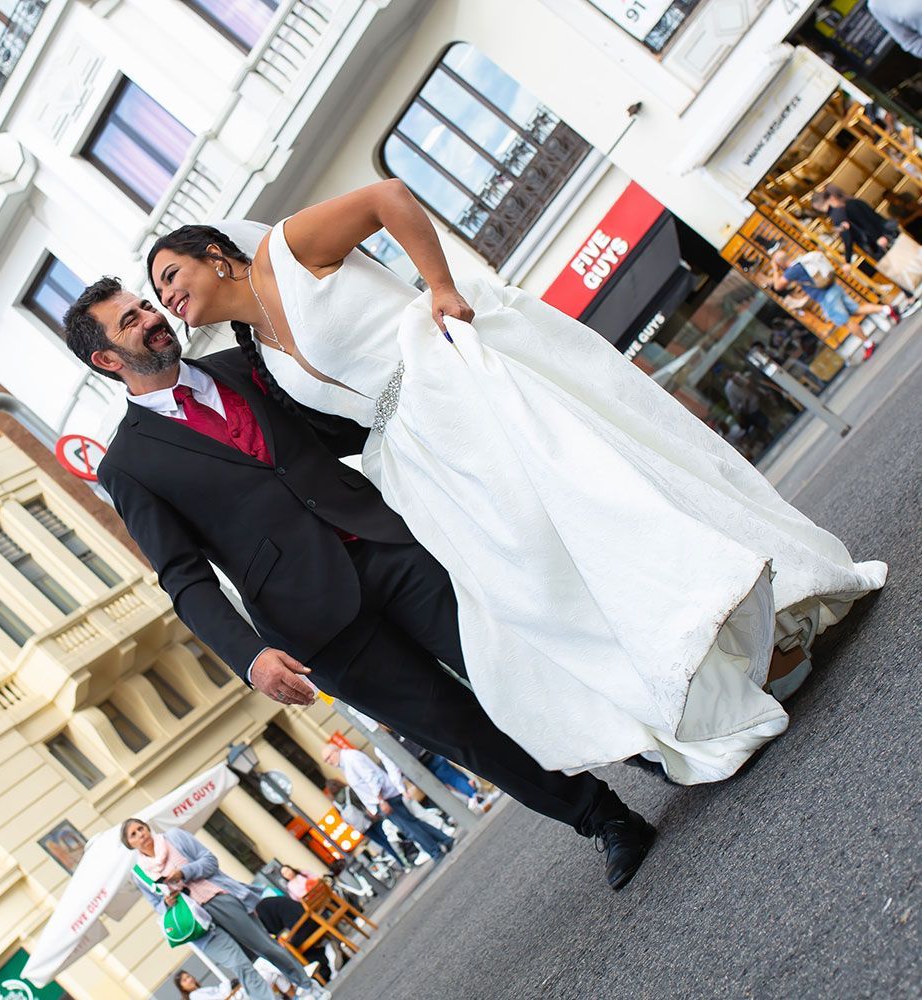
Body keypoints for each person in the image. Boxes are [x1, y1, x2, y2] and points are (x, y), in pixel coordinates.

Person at [133, 181, 887, 788]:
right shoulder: (258, 349)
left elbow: (387, 198)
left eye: (169, 276)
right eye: (157, 292)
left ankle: (756, 629)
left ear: (214, 253)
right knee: (543, 586)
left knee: (602, 518)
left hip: (467, 390)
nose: (166, 297)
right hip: (424, 456)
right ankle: (700, 686)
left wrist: (439, 287)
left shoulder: (288, 250)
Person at [66, 280, 657, 893]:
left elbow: (343, 427)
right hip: (315, 627)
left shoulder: (247, 359)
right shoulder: (128, 465)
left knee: (526, 664)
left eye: (144, 306)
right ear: (106, 359)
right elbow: (183, 578)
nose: (150, 318)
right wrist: (250, 658)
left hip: (388, 543)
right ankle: (603, 817)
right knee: (462, 732)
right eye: (129, 321)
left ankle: (651, 749)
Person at [121, 819, 328, 1000]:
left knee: (265, 947)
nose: (140, 834)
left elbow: (210, 861)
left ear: (147, 828)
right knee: (240, 966)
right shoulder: (140, 874)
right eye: (133, 834)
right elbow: (157, 905)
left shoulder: (174, 838)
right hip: (196, 925)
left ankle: (308, 986)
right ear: (130, 844)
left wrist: (183, 873)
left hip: (217, 899)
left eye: (141, 828)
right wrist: (167, 902)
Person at [323, 743, 454, 863]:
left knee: (409, 828)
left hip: (385, 798)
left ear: (335, 751)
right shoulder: (346, 762)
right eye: (326, 760)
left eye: (328, 758)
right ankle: (444, 840)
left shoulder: (351, 758)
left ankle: (435, 851)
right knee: (411, 823)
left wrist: (381, 801)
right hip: (383, 799)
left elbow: (372, 778)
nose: (329, 762)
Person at [814, 184, 922, 295]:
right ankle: (908, 292)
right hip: (886, 233)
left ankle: (908, 293)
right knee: (907, 258)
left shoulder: (842, 212)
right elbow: (872, 218)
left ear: (831, 198)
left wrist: (876, 238)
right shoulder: (853, 202)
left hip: (877, 241)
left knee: (894, 267)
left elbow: (856, 231)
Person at [767, 246, 897, 332]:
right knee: (856, 309)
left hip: (825, 296)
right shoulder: (801, 261)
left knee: (846, 321)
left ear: (780, 263)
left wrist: (775, 269)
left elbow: (778, 286)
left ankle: (867, 343)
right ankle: (887, 309)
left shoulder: (791, 271)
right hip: (832, 287)